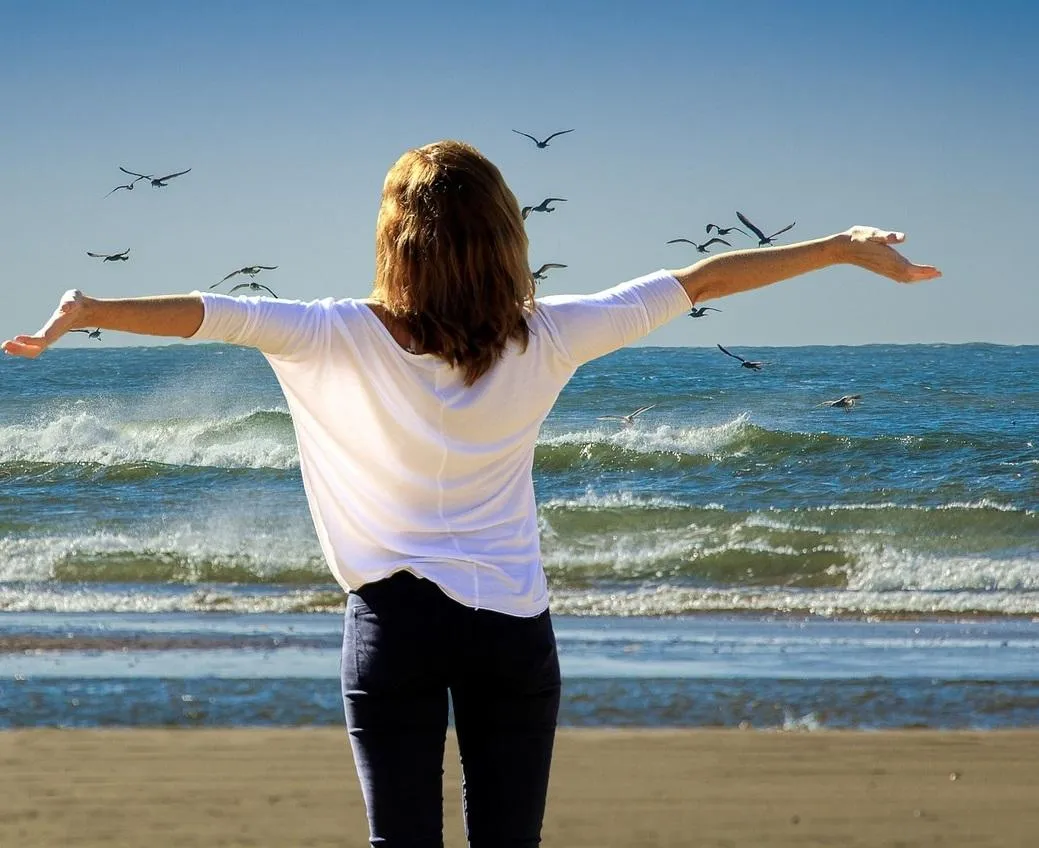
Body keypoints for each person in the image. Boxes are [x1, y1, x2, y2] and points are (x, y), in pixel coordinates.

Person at [1, 140, 940, 847]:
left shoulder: (329, 332)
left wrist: (88, 312)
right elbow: (702, 278)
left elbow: (208, 314)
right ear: (506, 237)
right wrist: (842, 248)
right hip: (511, 627)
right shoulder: (553, 331)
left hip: (391, 626)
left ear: (393, 240)